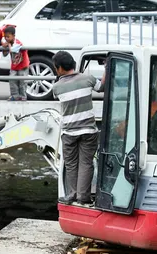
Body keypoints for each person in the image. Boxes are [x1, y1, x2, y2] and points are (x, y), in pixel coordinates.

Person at [51, 51, 106, 206]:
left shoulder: (57, 87)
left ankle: (72, 194)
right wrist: (107, 67)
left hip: (69, 133)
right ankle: (84, 197)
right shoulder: (87, 79)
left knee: (71, 164)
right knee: (86, 163)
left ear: (60, 68)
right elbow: (101, 86)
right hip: (88, 130)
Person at [0, 26, 29, 101]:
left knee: (22, 81)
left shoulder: (18, 43)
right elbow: (5, 54)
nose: (6, 38)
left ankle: (23, 96)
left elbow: (13, 50)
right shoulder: (8, 43)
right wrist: (4, 48)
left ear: (13, 36)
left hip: (23, 65)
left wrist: (8, 45)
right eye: (5, 37)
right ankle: (15, 95)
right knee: (12, 80)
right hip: (14, 65)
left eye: (8, 37)